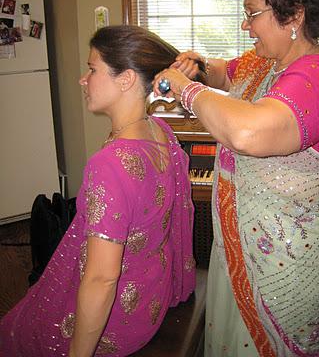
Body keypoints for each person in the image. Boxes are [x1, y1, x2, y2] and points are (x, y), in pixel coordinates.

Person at [153, 0, 319, 356]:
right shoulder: (269, 61)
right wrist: (196, 65)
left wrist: (185, 89)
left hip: (284, 262)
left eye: (253, 13)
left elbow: (247, 133)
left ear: (294, 14)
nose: (247, 26)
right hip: (239, 244)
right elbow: (226, 71)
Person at [0, 25, 197, 356]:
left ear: (126, 79)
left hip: (118, 321)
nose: (83, 79)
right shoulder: (161, 130)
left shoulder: (109, 165)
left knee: (18, 330)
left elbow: (101, 280)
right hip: (151, 296)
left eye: (92, 69)